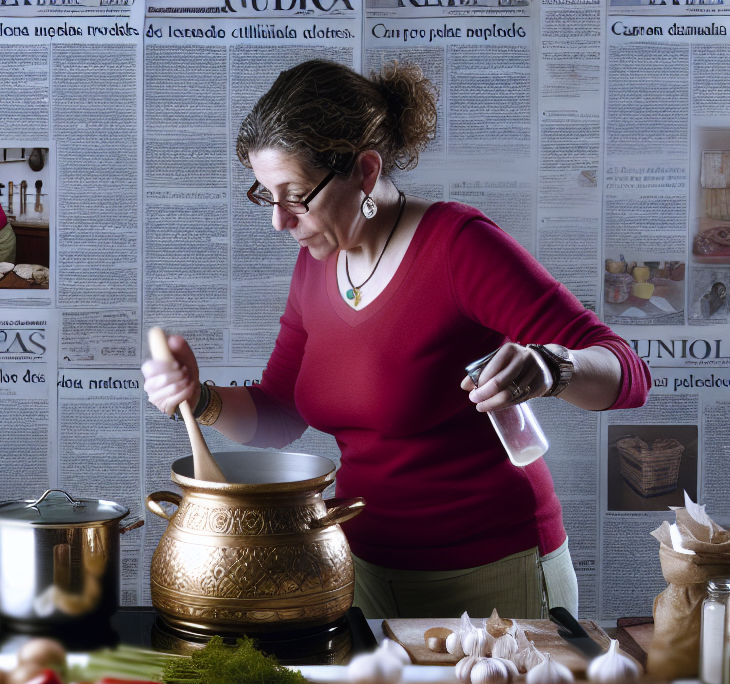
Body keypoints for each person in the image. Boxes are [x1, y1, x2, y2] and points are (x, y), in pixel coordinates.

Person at [142, 59, 651, 621]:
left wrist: (553, 368)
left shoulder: (459, 247)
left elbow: (627, 373)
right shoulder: (316, 265)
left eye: (294, 196)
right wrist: (199, 397)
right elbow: (280, 412)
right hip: (359, 567)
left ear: (363, 171)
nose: (279, 222)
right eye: (266, 195)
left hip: (492, 570)